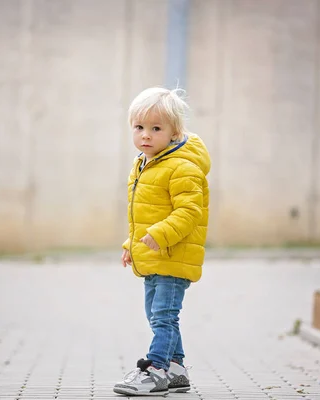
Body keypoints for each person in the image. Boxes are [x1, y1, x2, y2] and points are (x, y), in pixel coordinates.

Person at [113, 87, 211, 396]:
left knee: (163, 316)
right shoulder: (143, 164)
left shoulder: (182, 167)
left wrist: (159, 235)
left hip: (174, 254)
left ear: (174, 132)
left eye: (156, 128)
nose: (146, 135)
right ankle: (177, 369)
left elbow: (189, 211)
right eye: (139, 127)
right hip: (154, 254)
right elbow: (143, 215)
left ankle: (155, 370)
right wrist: (133, 245)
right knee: (156, 313)